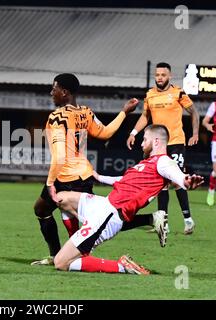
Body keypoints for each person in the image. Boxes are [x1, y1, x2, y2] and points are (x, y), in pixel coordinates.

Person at [53, 125, 204, 275]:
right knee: (61, 198)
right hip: (103, 204)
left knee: (60, 263)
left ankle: (122, 266)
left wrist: (186, 181)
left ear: (156, 142)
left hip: (109, 215)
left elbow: (177, 175)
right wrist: (99, 177)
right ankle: (77, 248)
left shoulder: (163, 162)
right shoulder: (147, 163)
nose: (142, 143)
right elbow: (124, 180)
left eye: (145, 140)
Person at [32, 73, 139, 265]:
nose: (51, 93)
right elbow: (105, 132)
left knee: (95, 221)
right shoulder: (85, 113)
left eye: (54, 89)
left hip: (66, 176)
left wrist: (50, 183)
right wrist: (124, 112)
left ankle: (71, 259)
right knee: (44, 209)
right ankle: (59, 255)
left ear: (64, 92)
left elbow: (59, 156)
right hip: (83, 175)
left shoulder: (57, 117)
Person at [126, 62, 199, 235]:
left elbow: (194, 112)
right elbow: (145, 116)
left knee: (177, 180)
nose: (160, 78)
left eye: (163, 75)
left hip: (175, 142)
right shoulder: (150, 95)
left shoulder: (178, 92)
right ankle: (163, 223)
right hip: (158, 146)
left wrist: (195, 133)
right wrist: (133, 133)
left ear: (170, 76)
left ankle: (188, 220)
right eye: (157, 75)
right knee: (161, 184)